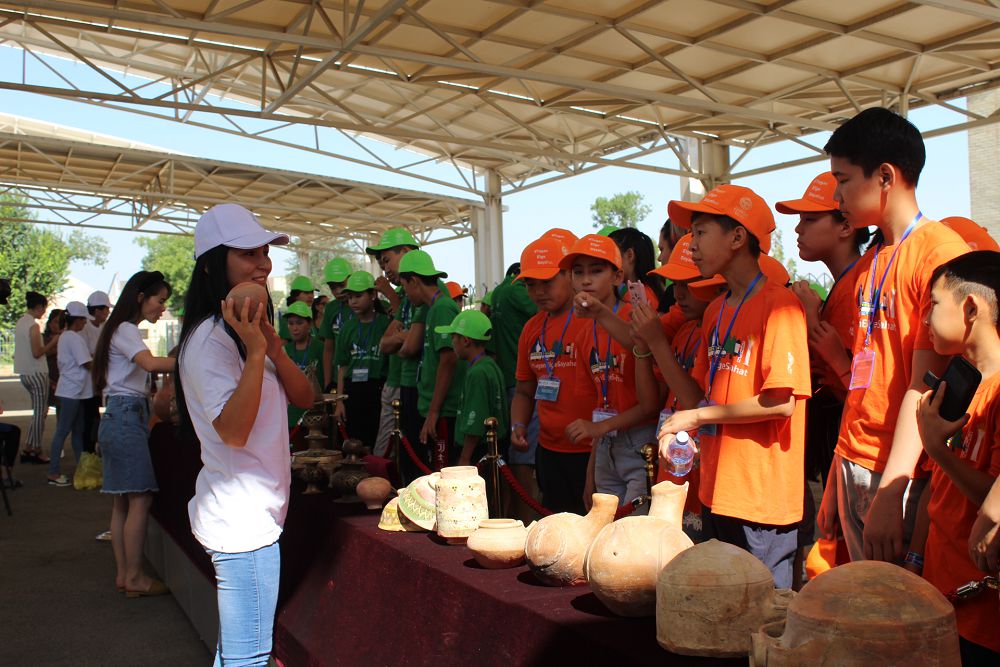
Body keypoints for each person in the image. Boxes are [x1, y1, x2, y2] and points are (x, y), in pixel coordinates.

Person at [820, 107, 970, 564]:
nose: (837, 194)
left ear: (885, 176)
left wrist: (892, 488)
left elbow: (925, 385)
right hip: (856, 458)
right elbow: (865, 375)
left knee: (896, 603)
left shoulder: (939, 255)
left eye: (843, 180)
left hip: (900, 471)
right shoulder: (875, 259)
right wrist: (838, 468)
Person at [175, 203, 312, 666]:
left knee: (237, 653)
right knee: (248, 658)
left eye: (265, 252)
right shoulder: (210, 340)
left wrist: (273, 350)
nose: (263, 264)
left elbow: (305, 397)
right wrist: (255, 354)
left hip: (254, 515)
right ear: (212, 265)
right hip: (242, 523)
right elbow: (233, 433)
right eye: (248, 253)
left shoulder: (246, 330)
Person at [656, 184, 810, 588]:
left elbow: (781, 403)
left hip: (760, 500)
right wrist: (681, 429)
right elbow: (702, 397)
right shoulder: (716, 311)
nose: (691, 245)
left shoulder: (780, 306)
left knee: (764, 612)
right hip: (717, 492)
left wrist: (695, 417)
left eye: (701, 232)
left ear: (738, 237)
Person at [909, 251, 1000, 663]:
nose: (925, 319)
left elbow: (992, 497)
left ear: (971, 308)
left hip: (980, 611)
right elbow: (938, 488)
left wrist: (936, 449)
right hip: (939, 593)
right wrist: (915, 559)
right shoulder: (961, 379)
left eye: (933, 304)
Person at [780, 172, 869, 486]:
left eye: (810, 219)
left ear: (846, 227)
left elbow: (854, 386)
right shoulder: (848, 281)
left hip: (859, 442)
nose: (798, 228)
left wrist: (811, 318)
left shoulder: (860, 284)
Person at [563, 234, 664, 511]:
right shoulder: (583, 333)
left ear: (618, 276)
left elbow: (650, 404)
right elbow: (600, 407)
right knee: (607, 529)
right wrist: (591, 472)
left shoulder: (638, 317)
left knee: (634, 531)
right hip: (606, 446)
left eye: (596, 271)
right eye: (578, 272)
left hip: (641, 442)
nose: (586, 280)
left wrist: (599, 428)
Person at [91, 270, 176, 596]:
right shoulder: (126, 329)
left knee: (122, 502)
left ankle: (125, 574)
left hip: (118, 415)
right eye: (160, 300)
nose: (162, 308)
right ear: (141, 298)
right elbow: (151, 364)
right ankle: (135, 577)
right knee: (140, 498)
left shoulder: (116, 329)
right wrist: (193, 358)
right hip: (127, 417)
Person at [631, 233, 713, 538]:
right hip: (673, 469)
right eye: (675, 284)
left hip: (701, 472)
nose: (678, 294)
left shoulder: (713, 332)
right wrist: (643, 347)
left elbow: (695, 401)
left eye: (689, 283)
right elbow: (653, 399)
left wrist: (655, 341)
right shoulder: (685, 330)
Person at [513, 235, 594, 515]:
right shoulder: (531, 329)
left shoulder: (594, 320)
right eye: (530, 284)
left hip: (591, 451)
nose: (539, 291)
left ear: (569, 275)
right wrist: (518, 425)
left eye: (546, 282)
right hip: (548, 451)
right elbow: (524, 390)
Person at [398, 250, 466, 474]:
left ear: (414, 281)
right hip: (435, 408)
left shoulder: (442, 308)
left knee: (443, 474)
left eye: (404, 286)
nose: (405, 294)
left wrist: (434, 412)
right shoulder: (433, 309)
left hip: (444, 411)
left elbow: (448, 359)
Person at [369, 228, 423, 459]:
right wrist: (404, 336)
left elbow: (411, 347)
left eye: (387, 260)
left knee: (412, 452)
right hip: (398, 380)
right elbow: (385, 343)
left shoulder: (424, 293)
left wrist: (402, 339)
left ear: (407, 251)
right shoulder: (405, 295)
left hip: (416, 385)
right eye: (382, 264)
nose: (385, 268)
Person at [435, 310, 509, 467]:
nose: (452, 342)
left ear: (465, 340)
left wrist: (465, 457)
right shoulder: (490, 365)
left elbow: (475, 421)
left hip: (478, 451)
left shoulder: (477, 373)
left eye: (453, 337)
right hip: (494, 446)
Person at [333, 271, 390, 451]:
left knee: (375, 441)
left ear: (373, 295)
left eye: (358, 296)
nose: (353, 301)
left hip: (377, 388)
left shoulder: (385, 324)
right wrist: (339, 401)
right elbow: (342, 366)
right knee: (353, 443)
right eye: (350, 297)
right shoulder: (347, 328)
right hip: (352, 391)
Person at [46, 301, 92, 486]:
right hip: (72, 391)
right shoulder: (73, 337)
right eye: (84, 320)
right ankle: (53, 472)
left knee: (76, 431)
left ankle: (81, 469)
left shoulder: (66, 336)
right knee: (64, 431)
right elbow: (86, 362)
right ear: (77, 320)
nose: (85, 323)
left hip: (74, 390)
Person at [14, 291, 58, 464]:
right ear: (39, 307)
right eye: (44, 308)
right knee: (40, 413)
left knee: (38, 412)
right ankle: (35, 448)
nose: (44, 312)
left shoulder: (20, 322)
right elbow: (37, 352)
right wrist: (53, 342)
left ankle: (30, 446)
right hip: (37, 372)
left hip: (25, 373)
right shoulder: (33, 325)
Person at [282, 301, 324, 430]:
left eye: (299, 323)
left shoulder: (320, 348)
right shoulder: (284, 351)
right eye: (291, 323)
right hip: (290, 413)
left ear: (310, 324)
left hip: (315, 412)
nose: (295, 328)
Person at [81, 290, 112, 455]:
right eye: (106, 309)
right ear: (97, 310)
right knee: (89, 418)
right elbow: (86, 356)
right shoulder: (84, 327)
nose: (108, 312)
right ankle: (88, 452)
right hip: (87, 382)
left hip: (100, 379)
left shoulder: (104, 327)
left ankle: (96, 449)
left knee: (99, 416)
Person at [318, 258, 353, 391]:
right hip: (337, 378)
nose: (338, 291)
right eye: (333, 287)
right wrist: (328, 383)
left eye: (341, 285)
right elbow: (328, 349)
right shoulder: (331, 308)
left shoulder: (364, 305)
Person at [609, 227, 664, 308]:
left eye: (612, 255)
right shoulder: (648, 291)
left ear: (630, 255)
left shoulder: (636, 297)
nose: (607, 263)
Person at [278, 275, 316, 341]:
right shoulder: (289, 318)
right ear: (296, 295)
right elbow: (283, 344)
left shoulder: (309, 314)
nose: (310, 296)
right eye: (306, 293)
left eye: (312, 292)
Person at [43, 308, 66, 405]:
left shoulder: (67, 337)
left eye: (60, 322)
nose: (57, 325)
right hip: (47, 377)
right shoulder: (43, 338)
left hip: (62, 378)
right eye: (55, 322)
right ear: (50, 323)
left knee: (61, 406)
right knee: (43, 407)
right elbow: (41, 353)